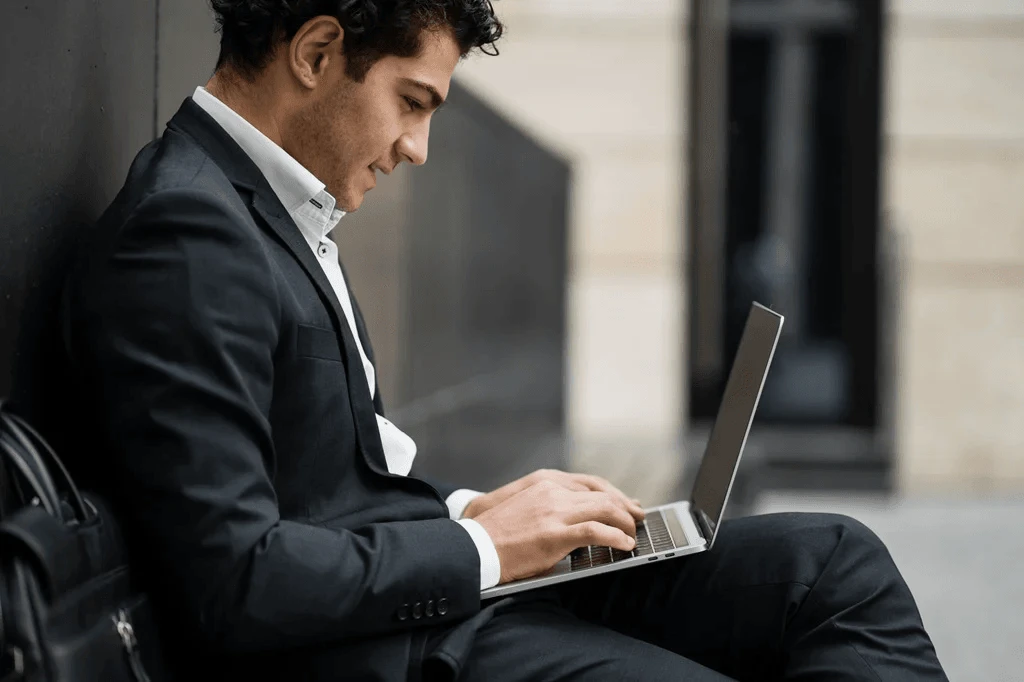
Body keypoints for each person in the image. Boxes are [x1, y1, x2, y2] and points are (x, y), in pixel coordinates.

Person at [58, 1, 949, 680]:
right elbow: (236, 580)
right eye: (412, 102)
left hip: (426, 591)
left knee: (835, 564)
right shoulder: (183, 233)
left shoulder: (263, 212)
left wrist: (483, 512)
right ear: (318, 53)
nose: (419, 147)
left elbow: (340, 480)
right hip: (389, 648)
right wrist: (489, 549)